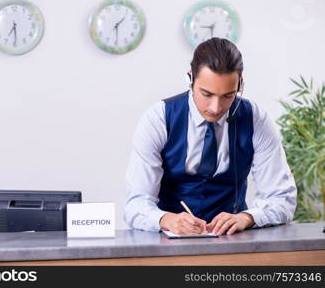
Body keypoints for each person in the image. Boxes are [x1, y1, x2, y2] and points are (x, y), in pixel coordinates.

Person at [124, 37, 297, 236]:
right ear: (190, 78)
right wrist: (166, 219)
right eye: (206, 94)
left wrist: (247, 217)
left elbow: (282, 198)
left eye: (228, 96)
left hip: (233, 243)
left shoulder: (256, 120)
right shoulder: (158, 119)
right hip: (167, 243)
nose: (216, 108)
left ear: (240, 85)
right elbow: (135, 204)